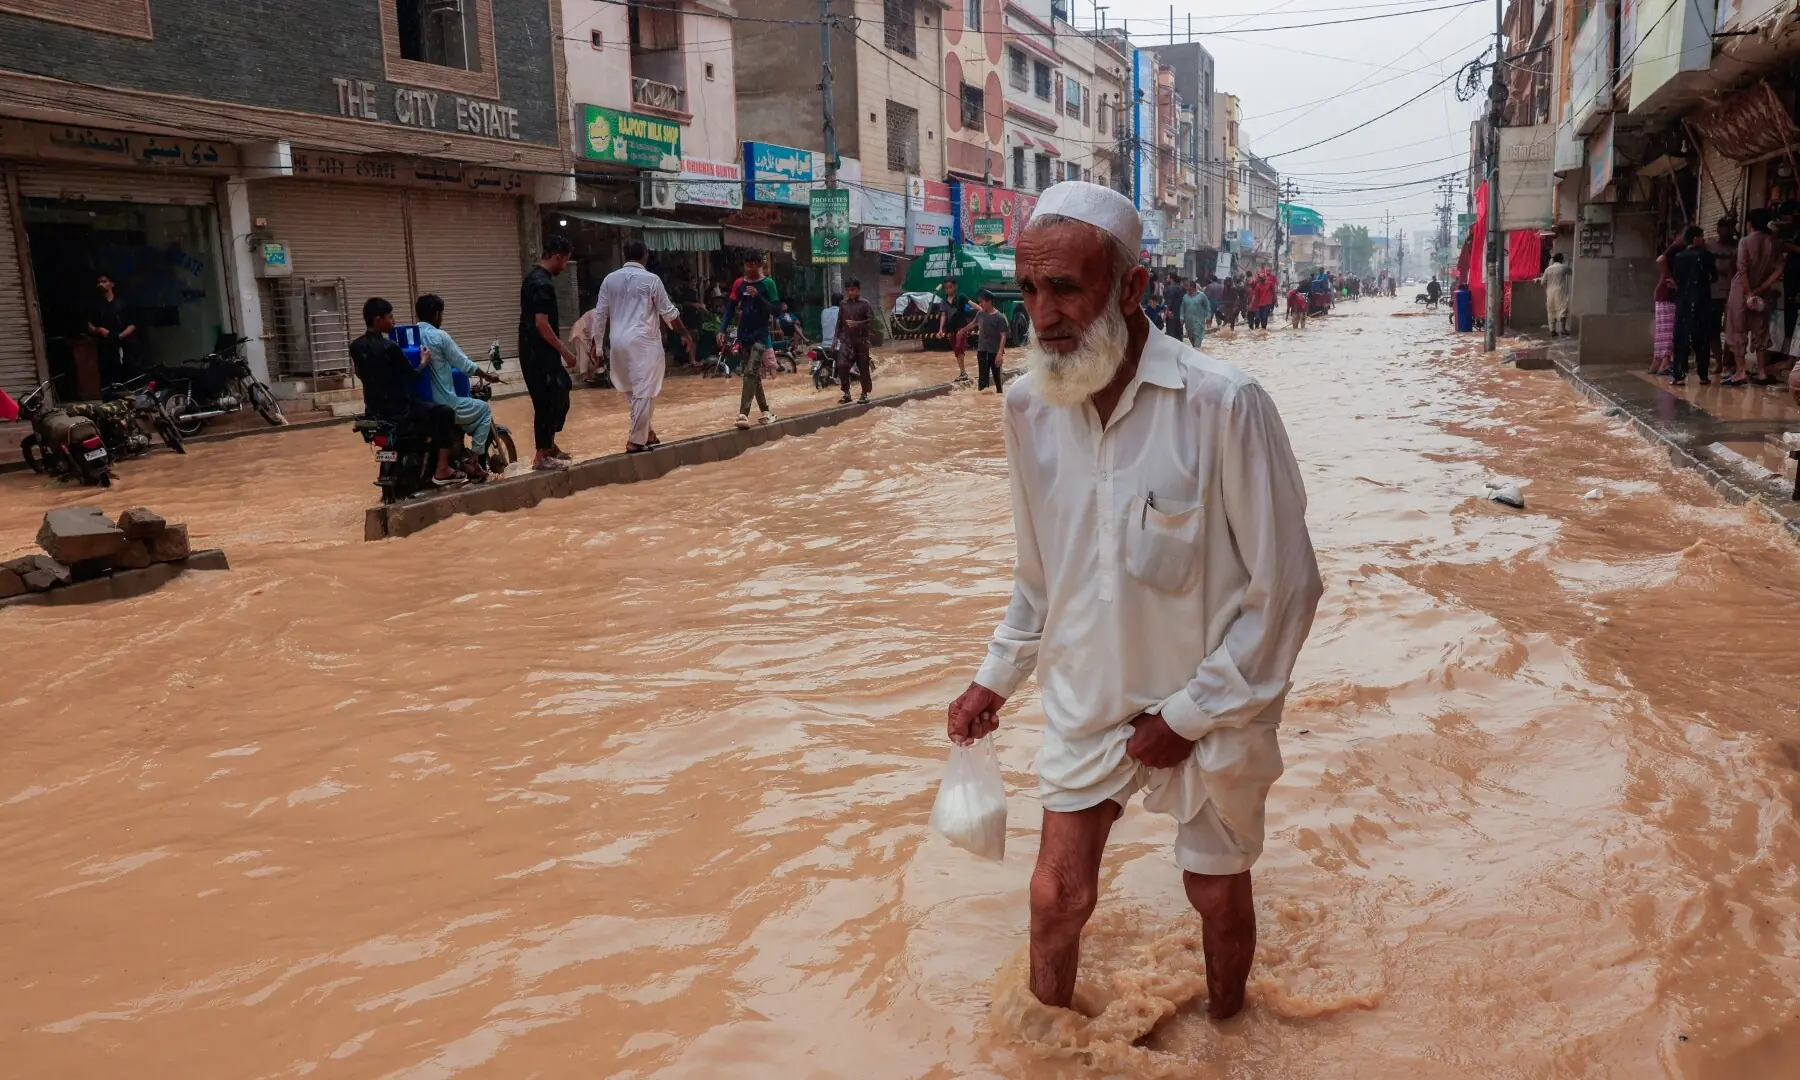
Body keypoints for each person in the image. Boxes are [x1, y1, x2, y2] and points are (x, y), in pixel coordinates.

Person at [947, 181, 1322, 1024]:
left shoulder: (1224, 404)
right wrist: (992, 680)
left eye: (1067, 289)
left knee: (1215, 896)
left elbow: (1288, 589)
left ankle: (1231, 1036)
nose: (1043, 316)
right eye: (1029, 291)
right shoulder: (1026, 409)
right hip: (1090, 696)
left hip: (1216, 701)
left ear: (1131, 288)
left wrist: (1187, 715)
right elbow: (1040, 577)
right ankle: (1049, 1052)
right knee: (1055, 898)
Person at [352, 297, 462, 487]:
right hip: (400, 410)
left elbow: (359, 373)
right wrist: (424, 361)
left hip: (375, 411)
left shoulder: (356, 346)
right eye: (390, 317)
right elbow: (413, 375)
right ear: (378, 320)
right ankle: (443, 470)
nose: (393, 321)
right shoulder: (390, 347)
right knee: (445, 413)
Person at [594, 239, 691, 453]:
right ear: (645, 256)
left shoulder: (609, 280)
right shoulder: (652, 280)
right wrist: (685, 334)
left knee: (635, 390)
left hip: (618, 342)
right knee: (644, 390)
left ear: (624, 255)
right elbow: (670, 313)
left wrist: (598, 346)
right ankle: (635, 440)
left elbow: (600, 315)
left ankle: (647, 432)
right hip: (644, 342)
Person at [415, 294, 500, 477]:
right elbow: (464, 364)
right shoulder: (439, 336)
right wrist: (487, 376)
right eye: (441, 314)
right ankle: (474, 461)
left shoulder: (410, 335)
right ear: (437, 314)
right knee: (484, 409)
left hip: (418, 405)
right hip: (444, 403)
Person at [519, 235, 579, 471]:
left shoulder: (533, 277)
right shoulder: (542, 283)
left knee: (561, 390)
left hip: (535, 349)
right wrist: (565, 352)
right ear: (557, 257)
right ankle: (541, 456)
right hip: (538, 352)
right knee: (546, 401)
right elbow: (542, 324)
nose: (565, 267)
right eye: (565, 262)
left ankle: (549, 445)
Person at [719, 252, 780, 428]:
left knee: (750, 372)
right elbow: (730, 308)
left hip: (761, 334)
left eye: (754, 264)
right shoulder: (739, 284)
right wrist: (721, 329)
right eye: (747, 264)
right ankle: (767, 411)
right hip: (744, 334)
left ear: (760, 264)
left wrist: (758, 297)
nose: (750, 268)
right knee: (753, 376)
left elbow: (776, 310)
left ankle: (743, 414)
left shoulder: (768, 283)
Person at [1724, 208, 1784, 386]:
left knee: (1737, 329)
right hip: (1762, 292)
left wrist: (1749, 291)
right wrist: (1761, 288)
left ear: (1750, 223)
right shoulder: (1773, 243)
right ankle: (1762, 372)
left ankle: (1741, 371)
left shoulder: (1745, 241)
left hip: (1741, 290)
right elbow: (1780, 268)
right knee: (1761, 330)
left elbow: (1742, 269)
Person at [1661, 226, 1717, 386]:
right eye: (1702, 237)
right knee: (1702, 339)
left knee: (1681, 339)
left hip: (1683, 303)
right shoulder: (1706, 255)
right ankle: (1703, 376)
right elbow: (1714, 277)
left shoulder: (1679, 257)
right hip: (1702, 302)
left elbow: (1678, 279)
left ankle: (1679, 375)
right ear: (1695, 239)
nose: (1704, 240)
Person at [87, 274, 139, 386]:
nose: (101, 284)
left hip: (124, 344)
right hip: (105, 345)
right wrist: (100, 330)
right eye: (99, 282)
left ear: (112, 284)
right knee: (108, 376)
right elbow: (89, 325)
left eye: (104, 281)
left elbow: (133, 324)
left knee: (128, 373)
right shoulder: (96, 305)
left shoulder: (122, 303)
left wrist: (120, 336)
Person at [836, 278, 876, 404]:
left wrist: (858, 324)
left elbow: (871, 321)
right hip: (847, 341)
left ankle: (864, 393)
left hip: (861, 341)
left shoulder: (865, 304)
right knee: (841, 365)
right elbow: (839, 323)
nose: (850, 293)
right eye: (848, 290)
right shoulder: (843, 304)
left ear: (858, 290)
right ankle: (847, 393)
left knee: (863, 367)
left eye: (853, 289)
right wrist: (835, 339)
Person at [933, 277, 977, 382]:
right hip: (951, 328)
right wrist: (940, 330)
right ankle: (963, 372)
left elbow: (972, 304)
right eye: (946, 288)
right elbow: (943, 315)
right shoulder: (943, 301)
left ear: (955, 287)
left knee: (959, 347)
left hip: (961, 327)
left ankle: (963, 373)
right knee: (956, 351)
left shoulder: (961, 297)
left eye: (950, 287)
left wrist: (981, 309)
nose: (948, 290)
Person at [973, 288, 1010, 393]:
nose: (980, 304)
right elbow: (973, 323)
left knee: (997, 378)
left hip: (994, 352)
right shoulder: (980, 314)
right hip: (982, 351)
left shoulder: (1000, 317)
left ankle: (998, 400)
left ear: (989, 302)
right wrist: (963, 330)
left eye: (981, 302)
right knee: (982, 380)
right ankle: (983, 403)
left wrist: (1000, 353)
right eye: (979, 302)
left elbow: (1003, 336)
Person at [1540, 253, 1571, 337]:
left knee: (1551, 310)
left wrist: (1546, 291)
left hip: (1550, 291)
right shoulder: (1563, 267)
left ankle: (1552, 330)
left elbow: (1543, 282)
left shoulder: (1548, 269)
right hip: (1559, 290)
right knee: (1562, 308)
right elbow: (1572, 272)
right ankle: (1563, 329)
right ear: (1561, 259)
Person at [1180, 280, 1211, 350]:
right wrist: (1181, 317)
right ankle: (1196, 352)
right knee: (1191, 339)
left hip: (1199, 322)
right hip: (1189, 322)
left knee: (1197, 340)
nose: (1187, 289)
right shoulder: (1185, 297)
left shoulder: (1202, 295)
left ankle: (1198, 354)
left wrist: (1208, 317)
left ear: (1193, 287)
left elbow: (1207, 306)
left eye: (1188, 287)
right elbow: (1182, 308)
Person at [1162, 273, 1187, 339]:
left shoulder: (1168, 288)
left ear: (1171, 279)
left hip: (1171, 314)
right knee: (1179, 334)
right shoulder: (1183, 289)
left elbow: (1168, 302)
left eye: (1168, 278)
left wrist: (1167, 312)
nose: (1167, 279)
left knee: (1171, 334)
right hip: (1181, 315)